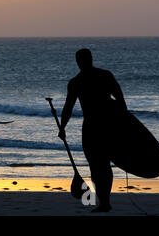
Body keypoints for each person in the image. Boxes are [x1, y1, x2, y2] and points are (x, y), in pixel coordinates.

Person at [59, 48, 127, 213]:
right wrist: (62, 127)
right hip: (101, 126)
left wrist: (63, 127)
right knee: (100, 166)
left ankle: (104, 202)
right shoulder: (100, 76)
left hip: (96, 127)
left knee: (99, 166)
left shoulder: (79, 81)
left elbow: (68, 108)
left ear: (87, 60)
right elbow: (120, 100)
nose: (82, 63)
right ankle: (104, 202)